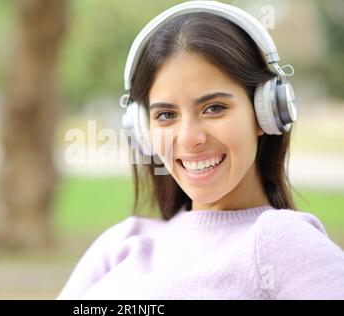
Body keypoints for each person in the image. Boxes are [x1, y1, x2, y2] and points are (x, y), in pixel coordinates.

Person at [56, 1, 344, 299]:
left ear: (265, 112)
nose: (190, 138)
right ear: (143, 130)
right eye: (166, 115)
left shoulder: (280, 240)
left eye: (214, 108)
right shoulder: (121, 243)